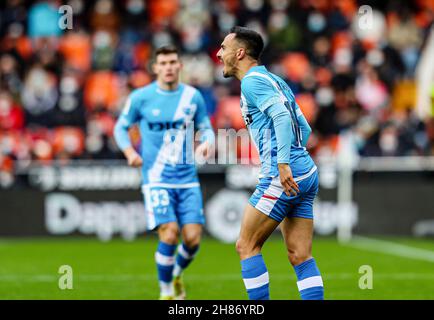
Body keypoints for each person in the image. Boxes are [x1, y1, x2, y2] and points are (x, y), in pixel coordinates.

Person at [216, 26, 324, 300]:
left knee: (246, 245)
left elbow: (283, 119)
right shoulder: (275, 80)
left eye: (224, 48)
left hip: (283, 174)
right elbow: (305, 127)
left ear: (239, 53)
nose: (219, 54)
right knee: (300, 255)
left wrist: (283, 162)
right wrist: (295, 157)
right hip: (306, 170)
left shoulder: (253, 82)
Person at [114, 45, 215, 300]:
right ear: (155, 67)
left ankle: (177, 274)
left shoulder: (192, 97)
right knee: (169, 233)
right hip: (156, 178)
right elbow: (120, 128)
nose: (168, 67)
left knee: (192, 240)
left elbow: (206, 126)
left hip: (187, 178)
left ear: (180, 66)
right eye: (163, 63)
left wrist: (207, 141)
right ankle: (166, 291)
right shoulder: (141, 97)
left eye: (172, 62)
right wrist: (129, 153)